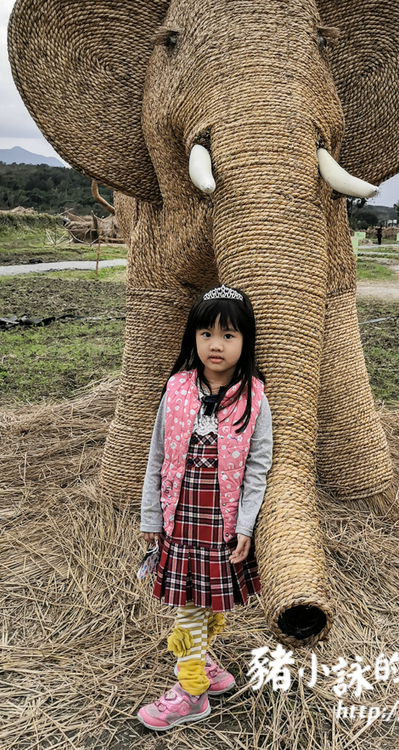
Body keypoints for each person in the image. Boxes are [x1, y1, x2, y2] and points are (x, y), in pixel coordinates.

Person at [138, 284, 272, 731]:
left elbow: (258, 467)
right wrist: (151, 516)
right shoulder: (176, 389)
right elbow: (158, 455)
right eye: (206, 333)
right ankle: (201, 669)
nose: (216, 344)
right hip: (181, 518)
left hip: (221, 521)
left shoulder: (254, 397)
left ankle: (191, 692)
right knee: (192, 603)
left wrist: (246, 526)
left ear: (245, 341)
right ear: (192, 337)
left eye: (228, 335)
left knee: (199, 604)